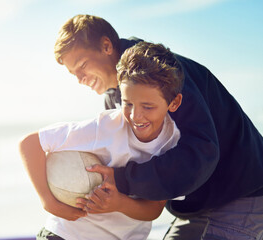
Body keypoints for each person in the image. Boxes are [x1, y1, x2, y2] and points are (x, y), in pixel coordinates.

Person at [51, 14, 263, 239]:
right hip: (195, 207)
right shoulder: (116, 97)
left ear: (106, 46)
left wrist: (123, 179)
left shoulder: (160, 74)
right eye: (74, 74)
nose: (80, 79)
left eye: (82, 66)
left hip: (241, 194)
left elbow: (200, 154)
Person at [19, 42, 184, 240]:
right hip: (66, 234)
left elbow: (154, 208)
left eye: (147, 107)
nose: (135, 115)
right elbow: (30, 143)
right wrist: (49, 202)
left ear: (174, 102)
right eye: (127, 103)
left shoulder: (174, 146)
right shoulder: (106, 126)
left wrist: (119, 204)